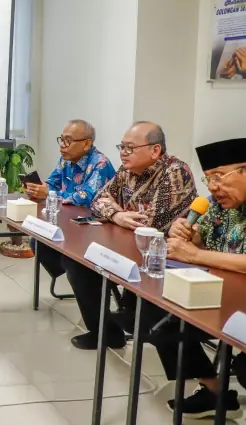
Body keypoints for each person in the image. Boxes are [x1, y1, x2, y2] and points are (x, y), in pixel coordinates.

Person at [63, 122, 197, 350]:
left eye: (130, 148)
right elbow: (98, 199)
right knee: (77, 261)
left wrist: (118, 213)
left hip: (162, 255)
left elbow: (151, 223)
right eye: (122, 147)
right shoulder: (127, 171)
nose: (123, 153)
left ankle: (129, 322)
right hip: (128, 243)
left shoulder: (175, 172)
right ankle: (104, 332)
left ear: (155, 150)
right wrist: (117, 215)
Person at [143, 137, 246, 420]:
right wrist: (192, 236)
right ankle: (215, 392)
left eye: (218, 177)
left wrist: (195, 256)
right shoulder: (216, 204)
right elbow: (205, 243)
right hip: (219, 291)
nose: (212, 187)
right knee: (157, 317)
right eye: (208, 178)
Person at [26, 120, 116, 301]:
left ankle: (86, 280)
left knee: (73, 259)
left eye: (68, 141)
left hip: (95, 228)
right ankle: (73, 273)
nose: (62, 145)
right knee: (38, 242)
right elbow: (52, 183)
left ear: (87, 143)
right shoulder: (65, 161)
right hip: (69, 221)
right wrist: (38, 189)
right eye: (61, 140)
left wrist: (50, 193)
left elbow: (88, 197)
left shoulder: (100, 163)